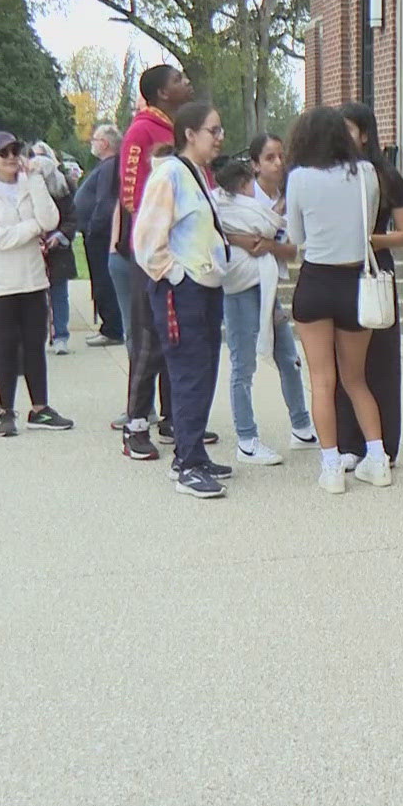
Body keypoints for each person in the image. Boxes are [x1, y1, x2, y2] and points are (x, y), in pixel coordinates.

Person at [285, 105, 396, 494]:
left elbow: (296, 237)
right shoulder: (366, 173)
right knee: (356, 378)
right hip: (355, 282)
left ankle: (331, 466)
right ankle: (377, 458)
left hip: (316, 281)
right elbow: (366, 229)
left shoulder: (298, 178)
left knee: (321, 380)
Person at [133, 100, 231, 499]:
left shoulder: (197, 174)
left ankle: (193, 453)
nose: (220, 138)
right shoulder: (170, 173)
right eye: (214, 130)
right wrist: (177, 275)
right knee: (189, 372)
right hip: (183, 290)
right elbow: (145, 241)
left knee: (204, 369)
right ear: (189, 135)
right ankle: (187, 464)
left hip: (204, 288)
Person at [210, 150, 315, 466]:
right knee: (243, 364)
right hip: (242, 288)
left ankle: (301, 426)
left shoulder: (253, 207)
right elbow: (264, 227)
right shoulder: (226, 206)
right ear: (244, 182)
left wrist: (259, 240)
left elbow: (283, 239)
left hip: (264, 287)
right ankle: (246, 439)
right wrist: (240, 238)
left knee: (287, 356)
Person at [0, 134, 75, 437]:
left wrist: (35, 180)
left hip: (31, 278)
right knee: (4, 346)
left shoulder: (28, 183)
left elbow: (50, 218)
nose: (12, 158)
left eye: (16, 151)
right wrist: (30, 229)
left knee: (34, 344)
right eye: (3, 153)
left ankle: (40, 408)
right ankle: (6, 411)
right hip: (0, 282)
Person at [117, 65, 195, 460]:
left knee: (174, 336)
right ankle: (135, 425)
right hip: (153, 253)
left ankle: (172, 417)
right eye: (179, 80)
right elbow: (132, 195)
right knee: (148, 340)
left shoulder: (180, 129)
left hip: (184, 250)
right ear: (162, 92)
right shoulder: (141, 131)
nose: (187, 83)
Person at [333, 104, 403, 467]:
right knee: (343, 361)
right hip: (339, 268)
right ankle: (349, 443)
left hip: (375, 269)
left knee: (379, 359)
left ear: (365, 134)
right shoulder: (330, 176)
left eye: (348, 130)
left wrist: (372, 240)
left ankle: (384, 445)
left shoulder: (387, 177)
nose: (342, 137)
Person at [72, 123, 126, 346]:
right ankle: (109, 325)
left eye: (94, 140)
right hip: (95, 233)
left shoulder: (110, 167)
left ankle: (112, 328)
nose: (92, 144)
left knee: (104, 281)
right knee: (100, 281)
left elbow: (105, 202)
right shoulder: (106, 166)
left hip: (100, 236)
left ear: (104, 143)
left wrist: (94, 227)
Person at [30, 155, 79, 354]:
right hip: (35, 248)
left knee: (59, 294)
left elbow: (72, 219)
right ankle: (37, 336)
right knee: (36, 297)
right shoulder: (28, 193)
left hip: (58, 252)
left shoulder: (63, 193)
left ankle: (61, 335)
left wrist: (59, 236)